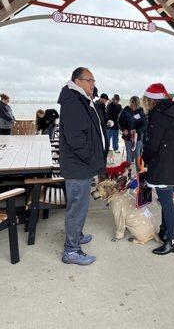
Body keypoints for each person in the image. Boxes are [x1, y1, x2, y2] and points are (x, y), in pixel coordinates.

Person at [58, 67, 107, 265]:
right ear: (78, 81)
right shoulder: (73, 102)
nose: (93, 84)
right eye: (90, 80)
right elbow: (76, 138)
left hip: (83, 164)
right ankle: (71, 251)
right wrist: (90, 157)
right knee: (77, 207)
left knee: (81, 206)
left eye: (93, 80)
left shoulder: (81, 100)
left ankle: (76, 235)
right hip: (78, 165)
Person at [142, 83, 174, 255]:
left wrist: (144, 158)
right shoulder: (173, 110)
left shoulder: (159, 114)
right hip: (173, 161)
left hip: (163, 163)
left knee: (167, 204)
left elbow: (153, 143)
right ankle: (164, 231)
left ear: (152, 100)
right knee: (165, 200)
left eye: (147, 100)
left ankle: (172, 241)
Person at [118, 96, 147, 171]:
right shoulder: (125, 110)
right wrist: (123, 129)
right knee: (129, 155)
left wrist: (137, 130)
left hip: (138, 137)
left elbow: (145, 124)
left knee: (137, 155)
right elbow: (119, 121)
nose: (133, 107)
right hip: (128, 137)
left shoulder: (141, 111)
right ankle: (128, 173)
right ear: (130, 104)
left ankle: (139, 172)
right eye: (132, 105)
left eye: (135, 106)